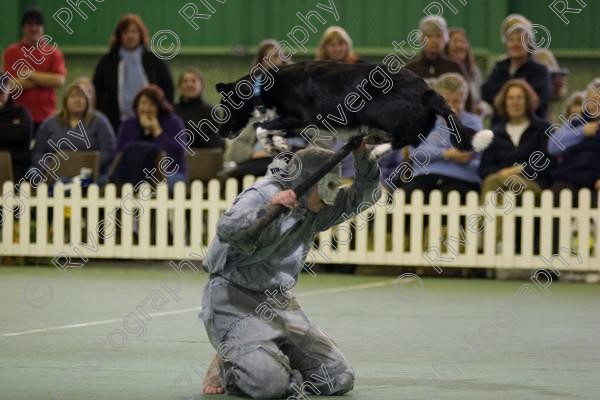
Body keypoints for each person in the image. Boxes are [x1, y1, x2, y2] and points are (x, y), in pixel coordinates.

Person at [199, 143, 379, 398]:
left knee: (338, 378)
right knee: (270, 385)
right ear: (308, 181)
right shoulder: (264, 193)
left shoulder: (316, 206)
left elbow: (363, 196)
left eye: (335, 183)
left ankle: (262, 354)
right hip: (233, 298)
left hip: (279, 301)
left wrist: (363, 155)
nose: (333, 193)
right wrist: (269, 211)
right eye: (328, 184)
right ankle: (232, 362)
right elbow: (228, 228)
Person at [402, 73, 483, 202]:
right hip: (424, 175)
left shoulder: (473, 122)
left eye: (456, 101)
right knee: (413, 195)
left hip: (461, 177)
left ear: (464, 100)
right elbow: (416, 152)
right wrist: (447, 154)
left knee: (452, 196)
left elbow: (470, 153)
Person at [93, 14, 174, 133]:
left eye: (134, 31)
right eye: (125, 32)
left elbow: (168, 89)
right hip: (114, 124)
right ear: (119, 36)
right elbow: (97, 91)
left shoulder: (155, 61)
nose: (130, 35)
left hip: (152, 122)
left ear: (141, 35)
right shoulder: (107, 62)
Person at [479, 79, 551, 199]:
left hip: (533, 183)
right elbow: (484, 168)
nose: (515, 102)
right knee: (495, 183)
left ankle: (485, 218)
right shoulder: (494, 134)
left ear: (527, 101)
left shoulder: (543, 129)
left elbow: (547, 161)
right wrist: (502, 173)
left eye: (519, 98)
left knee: (493, 183)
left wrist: (520, 170)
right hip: (499, 181)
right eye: (510, 98)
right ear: (505, 102)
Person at [2, 7, 67, 133]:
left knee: (46, 152)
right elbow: (9, 85)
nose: (34, 28)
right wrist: (45, 80)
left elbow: (59, 81)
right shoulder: (10, 52)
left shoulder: (54, 53)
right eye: (29, 24)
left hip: (47, 116)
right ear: (23, 28)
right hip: (17, 116)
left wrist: (28, 74)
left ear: (43, 28)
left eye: (37, 24)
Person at [32, 81, 116, 178]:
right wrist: (49, 168)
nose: (77, 100)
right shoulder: (49, 123)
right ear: (65, 101)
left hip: (91, 174)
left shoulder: (100, 121)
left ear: (87, 101)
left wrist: (87, 167)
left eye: (81, 97)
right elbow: (37, 153)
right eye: (73, 97)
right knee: (33, 173)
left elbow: (108, 151)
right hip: (54, 173)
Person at [482, 19, 552, 124]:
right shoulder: (499, 68)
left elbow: (539, 100)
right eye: (511, 40)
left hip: (533, 129)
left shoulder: (540, 71)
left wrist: (505, 91)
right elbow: (486, 93)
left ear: (529, 44)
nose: (515, 44)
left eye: (520, 40)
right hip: (501, 128)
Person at [116, 85, 186, 188]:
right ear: (137, 106)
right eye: (143, 103)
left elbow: (174, 155)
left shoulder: (173, 122)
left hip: (169, 170)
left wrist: (157, 132)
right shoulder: (129, 124)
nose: (146, 109)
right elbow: (122, 153)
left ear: (159, 107)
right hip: (134, 171)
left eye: (152, 105)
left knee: (163, 182)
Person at [548, 79, 600, 206]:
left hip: (596, 182)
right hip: (569, 180)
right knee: (558, 193)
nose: (595, 104)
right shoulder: (574, 123)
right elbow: (553, 147)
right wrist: (582, 131)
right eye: (591, 99)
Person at [174, 68, 224, 149]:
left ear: (201, 86)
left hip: (202, 158)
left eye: (193, 81)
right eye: (185, 81)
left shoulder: (210, 112)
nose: (189, 84)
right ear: (179, 86)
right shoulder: (172, 110)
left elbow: (217, 144)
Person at [444, 28, 489, 116]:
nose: (459, 46)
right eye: (455, 41)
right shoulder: (443, 69)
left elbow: (481, 99)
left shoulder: (474, 71)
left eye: (462, 41)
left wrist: (481, 108)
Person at [0, 78, 33, 181]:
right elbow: (15, 135)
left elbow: (23, 135)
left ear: (8, 91)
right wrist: (9, 128)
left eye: (0, 93)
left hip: (16, 169)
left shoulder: (21, 113)